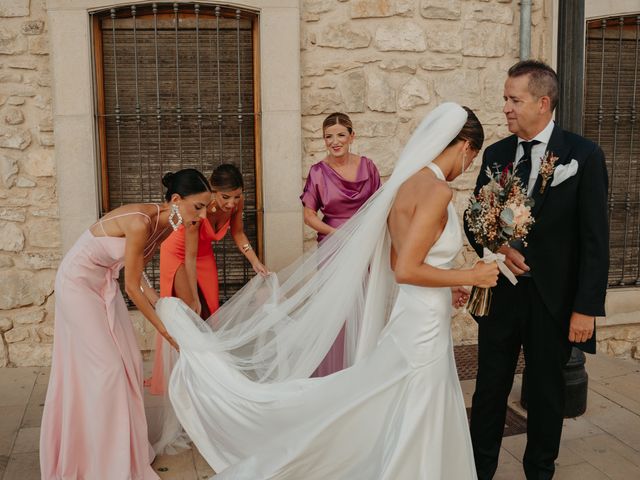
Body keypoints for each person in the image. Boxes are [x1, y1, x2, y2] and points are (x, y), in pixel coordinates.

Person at [155, 103, 498, 479]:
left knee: (403, 398)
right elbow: (405, 269)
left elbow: (399, 257)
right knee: (420, 400)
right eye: (473, 157)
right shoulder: (436, 191)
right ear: (465, 147)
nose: (469, 166)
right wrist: (471, 274)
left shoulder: (406, 184)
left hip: (415, 312)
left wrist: (446, 289)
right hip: (424, 323)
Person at [464, 60, 609, 480]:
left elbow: (594, 241)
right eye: (505, 99)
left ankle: (540, 471)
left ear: (543, 103)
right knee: (489, 390)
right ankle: (479, 470)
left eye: (515, 99)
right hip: (501, 296)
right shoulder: (496, 154)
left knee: (547, 395)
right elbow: (475, 221)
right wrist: (496, 246)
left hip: (554, 302)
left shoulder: (583, 155)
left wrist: (586, 308)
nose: (506, 107)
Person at [39, 169, 212, 480]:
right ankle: (95, 456)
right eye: (198, 207)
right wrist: (163, 329)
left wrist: (165, 307)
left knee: (129, 361)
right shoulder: (140, 222)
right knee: (107, 368)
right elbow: (132, 287)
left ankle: (119, 448)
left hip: (103, 283)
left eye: (205, 208)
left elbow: (141, 279)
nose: (202, 214)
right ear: (176, 200)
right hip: (78, 283)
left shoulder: (163, 227)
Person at [147, 163, 267, 396]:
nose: (231, 203)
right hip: (179, 252)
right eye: (225, 197)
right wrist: (193, 295)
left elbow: (238, 232)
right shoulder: (197, 212)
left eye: (237, 196)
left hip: (203, 255)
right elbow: (188, 258)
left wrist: (254, 260)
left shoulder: (236, 203)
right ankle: (180, 371)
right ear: (212, 191)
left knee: (211, 310)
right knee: (186, 310)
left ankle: (210, 369)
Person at [301, 112, 381, 375]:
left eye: (340, 135)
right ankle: (333, 371)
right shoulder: (317, 172)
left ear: (351, 136)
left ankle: (361, 368)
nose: (334, 141)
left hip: (364, 246)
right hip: (332, 248)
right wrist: (340, 235)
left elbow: (378, 207)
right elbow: (309, 216)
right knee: (336, 311)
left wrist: (365, 236)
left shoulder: (368, 167)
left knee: (365, 304)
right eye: (328, 137)